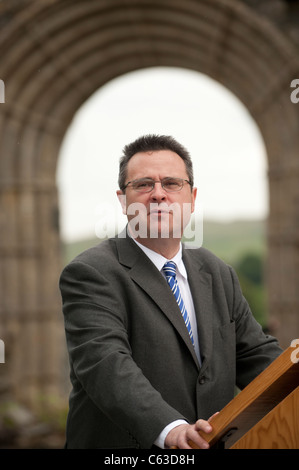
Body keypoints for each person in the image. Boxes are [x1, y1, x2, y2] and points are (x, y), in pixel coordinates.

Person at [59, 134, 282, 449]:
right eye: (144, 184)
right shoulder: (91, 272)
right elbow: (106, 364)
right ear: (123, 201)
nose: (158, 195)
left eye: (172, 184)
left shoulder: (217, 273)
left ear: (191, 197)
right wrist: (171, 429)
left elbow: (255, 356)